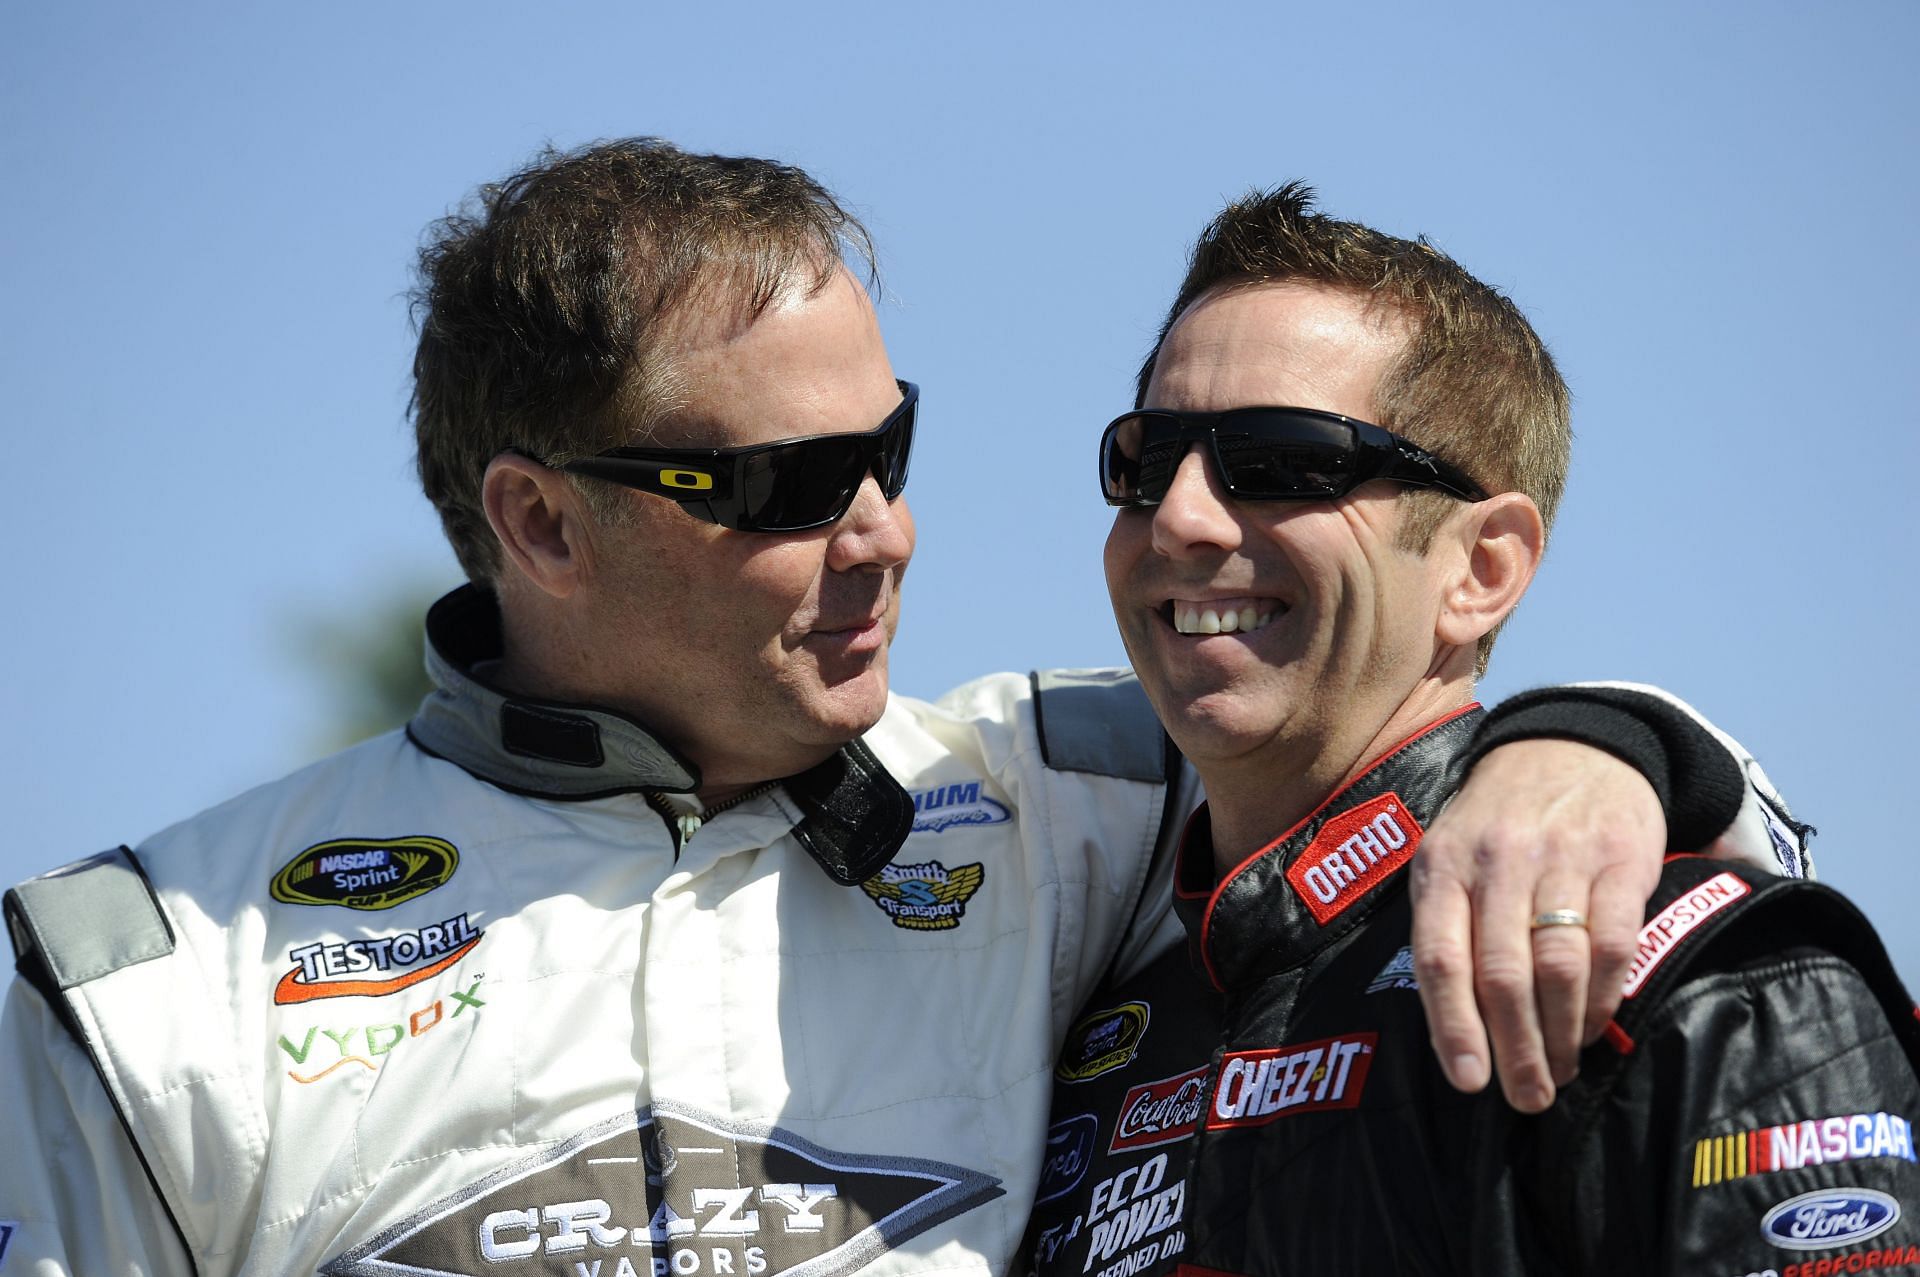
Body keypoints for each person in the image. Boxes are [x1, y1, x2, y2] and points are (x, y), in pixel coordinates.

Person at [0, 142, 1800, 1277]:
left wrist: (1599, 741)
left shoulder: (1065, 785)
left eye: (891, 447)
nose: (887, 531)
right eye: (789, 482)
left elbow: (1422, 737)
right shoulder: (134, 976)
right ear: (539, 521)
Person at [1022, 183, 1919, 1277]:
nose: (1181, 516)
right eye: (1146, 459)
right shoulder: (1083, 1033)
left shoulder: (1689, 971)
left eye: (1283, 461)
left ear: (1481, 568)